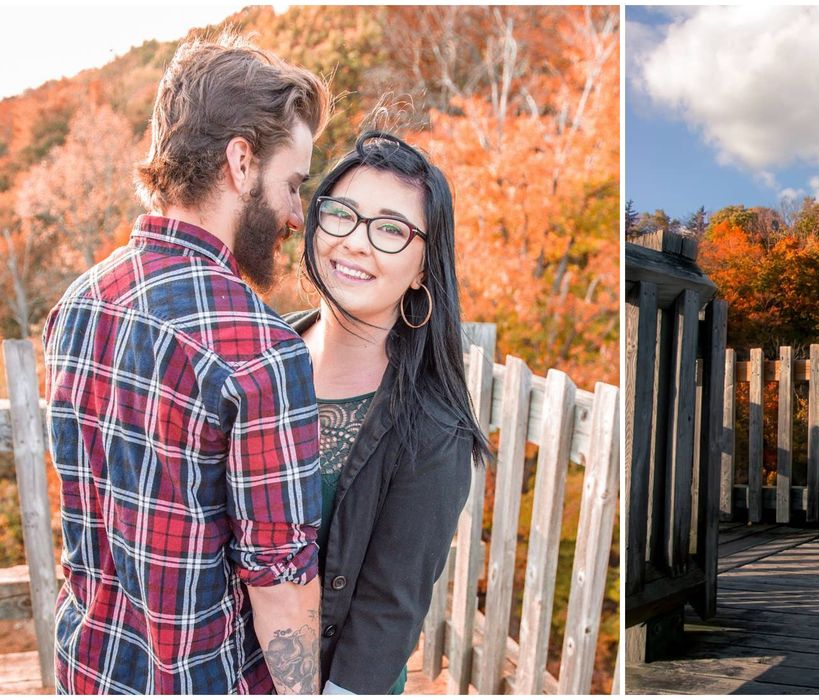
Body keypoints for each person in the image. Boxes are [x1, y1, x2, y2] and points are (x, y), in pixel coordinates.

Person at [41, 35, 330, 694]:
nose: (295, 215)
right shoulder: (262, 351)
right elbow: (281, 590)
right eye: (292, 184)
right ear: (241, 161)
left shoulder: (77, 304)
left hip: (86, 672)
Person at [284, 131, 491, 694]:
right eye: (341, 214)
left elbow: (388, 612)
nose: (355, 241)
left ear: (424, 267)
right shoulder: (258, 355)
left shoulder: (433, 428)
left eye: (392, 229)